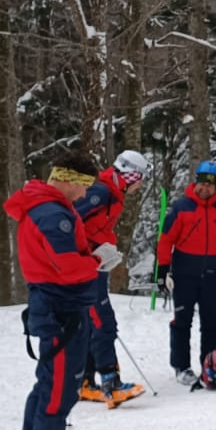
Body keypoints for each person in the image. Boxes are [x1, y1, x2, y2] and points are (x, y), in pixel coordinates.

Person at [6, 148, 103, 430]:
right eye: (81, 187)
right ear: (66, 180)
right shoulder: (51, 213)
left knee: (47, 386)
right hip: (61, 309)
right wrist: (95, 261)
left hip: (57, 306)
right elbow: (67, 265)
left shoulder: (49, 208)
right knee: (58, 393)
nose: (83, 195)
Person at [75, 149, 151, 407]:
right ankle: (111, 383)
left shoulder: (112, 193)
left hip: (94, 265)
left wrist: (104, 249)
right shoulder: (101, 193)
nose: (140, 185)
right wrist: (89, 251)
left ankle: (84, 382)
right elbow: (70, 221)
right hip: (86, 268)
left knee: (88, 321)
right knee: (103, 321)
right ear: (130, 175)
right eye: (139, 178)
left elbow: (93, 228)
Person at [157, 160, 216, 387]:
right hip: (185, 270)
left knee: (211, 321)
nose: (205, 188)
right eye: (202, 183)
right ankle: (181, 366)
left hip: (214, 271)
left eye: (211, 185)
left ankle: (210, 363)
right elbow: (166, 239)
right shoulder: (182, 207)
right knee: (182, 320)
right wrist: (163, 270)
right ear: (196, 182)